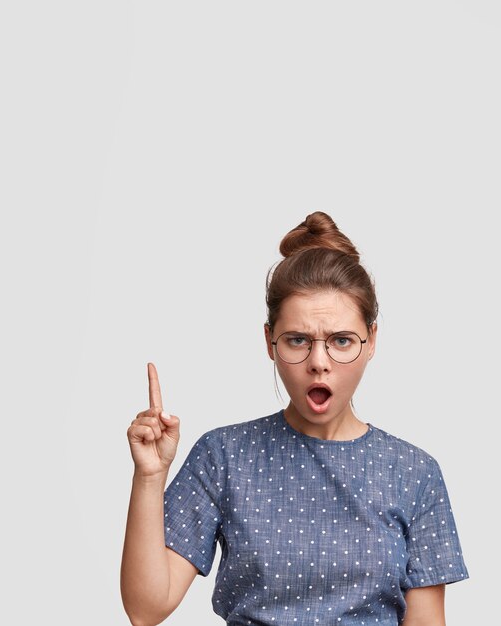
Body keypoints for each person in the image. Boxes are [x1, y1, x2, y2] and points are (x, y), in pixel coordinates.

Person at [121, 211, 469, 626]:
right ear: (269, 341)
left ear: (371, 340)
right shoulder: (224, 456)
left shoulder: (415, 474)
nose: (318, 363)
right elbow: (145, 608)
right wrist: (149, 477)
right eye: (297, 340)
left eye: (341, 341)